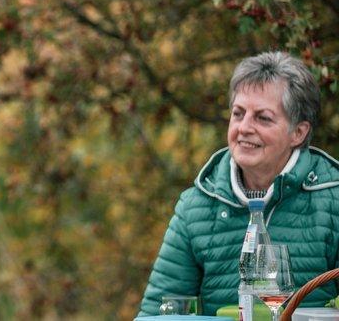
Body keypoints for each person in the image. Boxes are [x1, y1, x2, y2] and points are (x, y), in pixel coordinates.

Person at [139, 51, 339, 316]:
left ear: (298, 133)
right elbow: (158, 313)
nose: (244, 127)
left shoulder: (333, 200)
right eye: (238, 114)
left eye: (262, 118)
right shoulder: (196, 207)